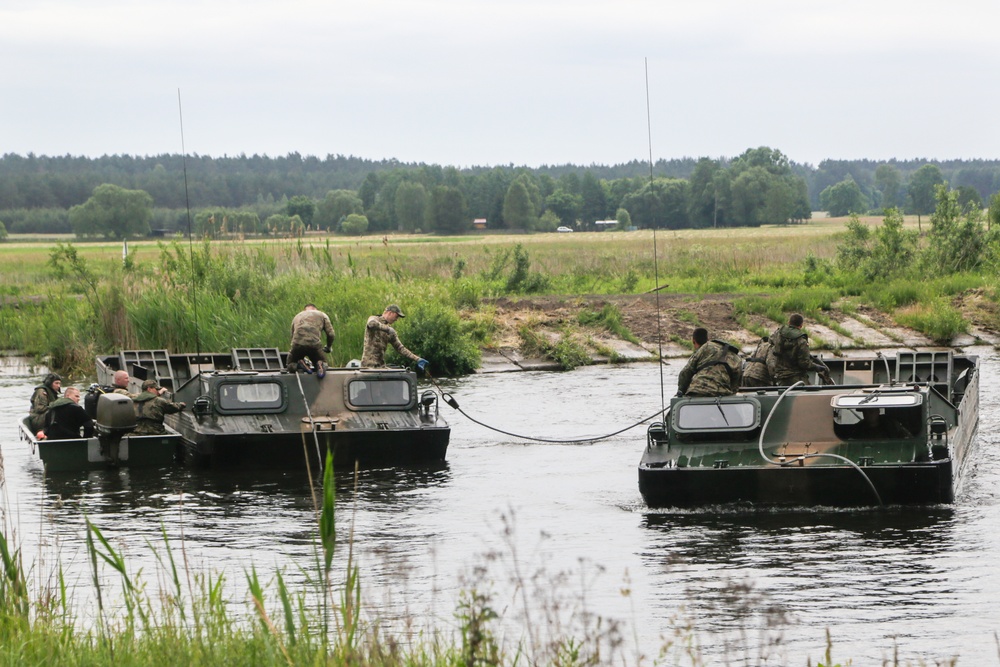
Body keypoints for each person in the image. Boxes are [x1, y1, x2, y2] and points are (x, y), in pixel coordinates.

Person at [676, 327, 742, 397]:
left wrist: (681, 392)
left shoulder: (706, 347)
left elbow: (686, 372)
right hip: (722, 394)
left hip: (697, 391)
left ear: (693, 341)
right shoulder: (737, 358)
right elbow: (735, 385)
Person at [361, 304, 428, 371]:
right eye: (396, 316)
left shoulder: (390, 332)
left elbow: (400, 348)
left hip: (381, 366)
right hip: (368, 366)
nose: (396, 319)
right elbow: (371, 324)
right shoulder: (374, 319)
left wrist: (417, 359)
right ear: (390, 313)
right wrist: (387, 329)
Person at [766, 313, 827, 386]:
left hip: (780, 377)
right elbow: (804, 363)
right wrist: (816, 367)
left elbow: (770, 341)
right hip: (796, 378)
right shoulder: (801, 341)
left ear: (789, 323)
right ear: (801, 326)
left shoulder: (778, 333)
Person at [287, 304, 335, 378]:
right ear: (316, 309)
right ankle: (320, 364)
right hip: (314, 345)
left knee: (290, 364)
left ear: (304, 310)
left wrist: (294, 350)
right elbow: (331, 334)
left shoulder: (297, 316)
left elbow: (292, 337)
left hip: (297, 345)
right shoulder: (322, 315)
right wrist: (328, 347)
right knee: (323, 362)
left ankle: (299, 364)